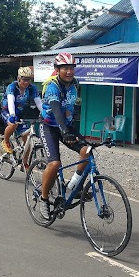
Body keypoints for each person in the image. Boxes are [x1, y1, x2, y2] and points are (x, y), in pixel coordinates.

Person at [38, 52, 88, 219]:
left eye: (72, 68)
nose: (69, 71)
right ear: (57, 70)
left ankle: (72, 187)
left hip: (66, 126)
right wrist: (64, 132)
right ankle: (44, 199)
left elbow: (70, 110)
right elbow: (57, 110)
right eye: (65, 68)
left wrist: (70, 130)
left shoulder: (74, 85)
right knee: (54, 164)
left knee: (87, 151)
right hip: (49, 126)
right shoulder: (52, 86)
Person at [0, 66, 43, 170]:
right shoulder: (12, 87)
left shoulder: (31, 89)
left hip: (19, 111)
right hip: (7, 110)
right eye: (24, 79)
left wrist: (45, 114)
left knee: (27, 138)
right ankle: (5, 141)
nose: (26, 82)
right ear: (18, 78)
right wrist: (12, 115)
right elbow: (10, 101)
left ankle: (24, 163)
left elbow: (39, 102)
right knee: (13, 124)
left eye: (28, 79)